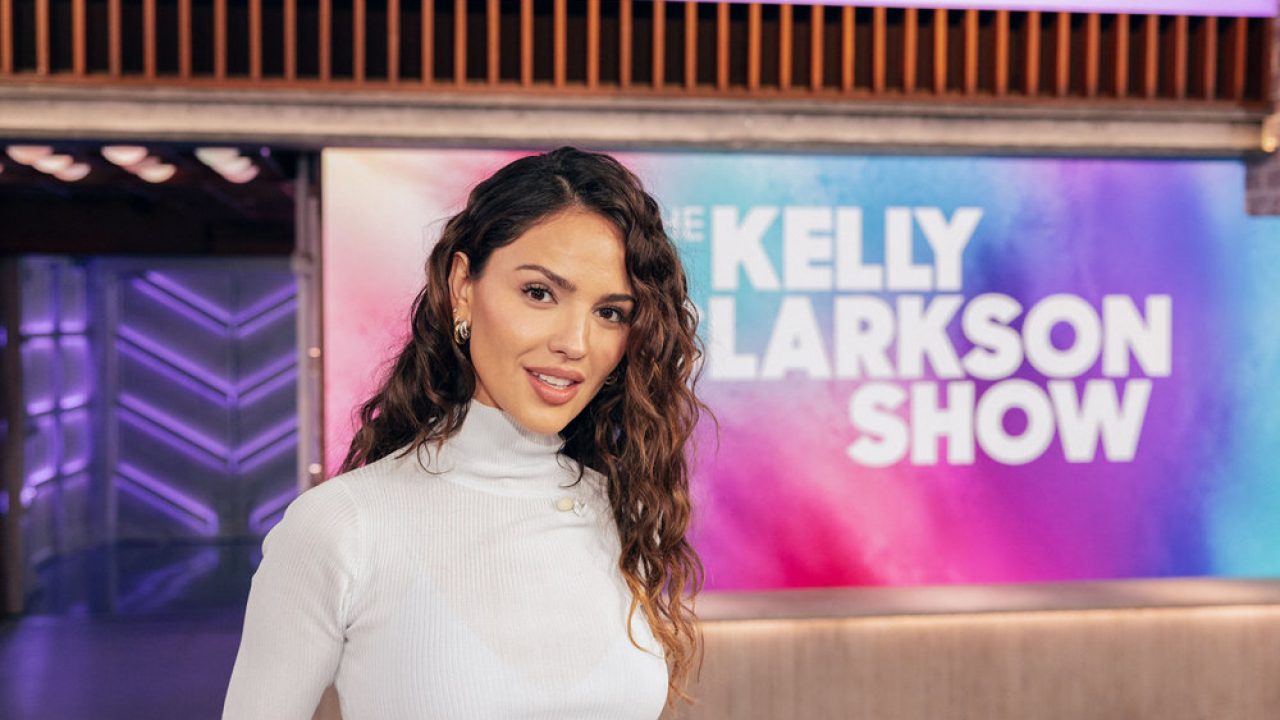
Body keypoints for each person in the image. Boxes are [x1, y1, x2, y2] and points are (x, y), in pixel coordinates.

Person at [222, 146, 714, 719]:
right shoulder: (342, 527)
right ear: (463, 287)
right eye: (539, 293)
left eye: (611, 313)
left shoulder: (624, 511)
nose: (575, 343)